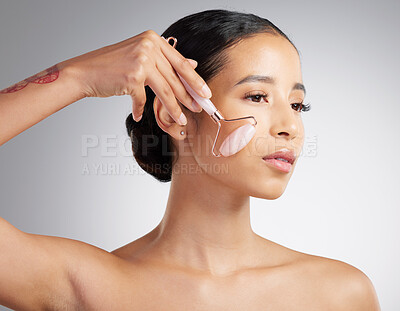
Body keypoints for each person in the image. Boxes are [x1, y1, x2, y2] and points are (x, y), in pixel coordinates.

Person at [0, 9, 380, 310]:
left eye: (297, 104)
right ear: (174, 116)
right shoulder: (89, 286)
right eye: (257, 96)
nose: (291, 127)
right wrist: (75, 77)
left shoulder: (341, 295)